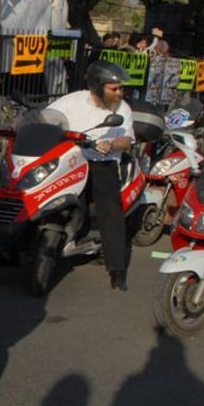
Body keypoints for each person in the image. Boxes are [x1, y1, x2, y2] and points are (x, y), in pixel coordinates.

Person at [43, 60, 136, 291]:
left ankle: (116, 270)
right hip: (71, 160)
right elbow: (47, 118)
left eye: (120, 89)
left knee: (111, 211)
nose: (119, 93)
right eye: (113, 88)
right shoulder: (73, 100)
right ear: (96, 86)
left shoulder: (122, 108)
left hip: (101, 164)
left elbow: (127, 140)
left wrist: (111, 144)